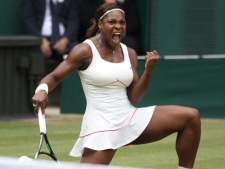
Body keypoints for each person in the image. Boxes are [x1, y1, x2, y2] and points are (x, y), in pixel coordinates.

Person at [32, 3, 201, 169]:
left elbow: (135, 97)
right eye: (112, 22)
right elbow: (54, 76)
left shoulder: (130, 53)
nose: (118, 26)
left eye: (122, 22)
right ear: (100, 24)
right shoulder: (84, 50)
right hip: (101, 125)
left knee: (190, 117)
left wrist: (148, 71)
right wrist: (42, 90)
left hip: (129, 117)